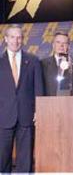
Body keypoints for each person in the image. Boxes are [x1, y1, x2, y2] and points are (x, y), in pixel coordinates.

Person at [0, 25, 43, 172]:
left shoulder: (33, 61)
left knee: (25, 160)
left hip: (27, 117)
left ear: (23, 39)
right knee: (2, 158)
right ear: (5, 39)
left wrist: (39, 111)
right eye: (12, 37)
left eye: (19, 37)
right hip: (3, 118)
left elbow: (39, 89)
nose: (15, 41)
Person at [41, 31, 73, 96]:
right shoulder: (43, 64)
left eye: (64, 43)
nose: (61, 45)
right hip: (50, 104)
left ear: (69, 46)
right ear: (53, 45)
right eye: (58, 42)